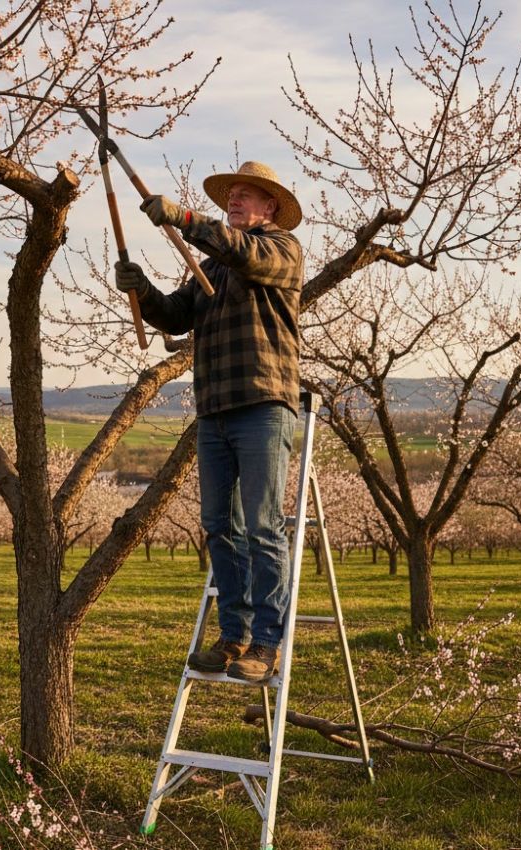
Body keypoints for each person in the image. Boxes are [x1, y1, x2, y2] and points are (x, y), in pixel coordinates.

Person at [114, 161, 303, 683]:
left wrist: (184, 217)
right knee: (221, 526)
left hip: (263, 405)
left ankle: (267, 642)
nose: (235, 201)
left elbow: (243, 253)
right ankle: (233, 635)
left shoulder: (281, 250)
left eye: (246, 196)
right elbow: (177, 315)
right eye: (231, 195)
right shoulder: (211, 267)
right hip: (214, 410)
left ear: (270, 207)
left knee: (264, 526)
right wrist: (142, 290)